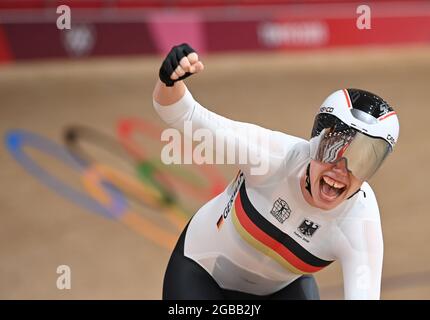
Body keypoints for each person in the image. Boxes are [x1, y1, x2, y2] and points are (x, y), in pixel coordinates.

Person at [152, 44, 399, 300]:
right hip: (201, 274)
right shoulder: (270, 157)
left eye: (362, 163)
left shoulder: (361, 221)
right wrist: (171, 80)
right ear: (313, 143)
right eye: (332, 151)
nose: (341, 170)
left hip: (282, 292)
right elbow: (183, 113)